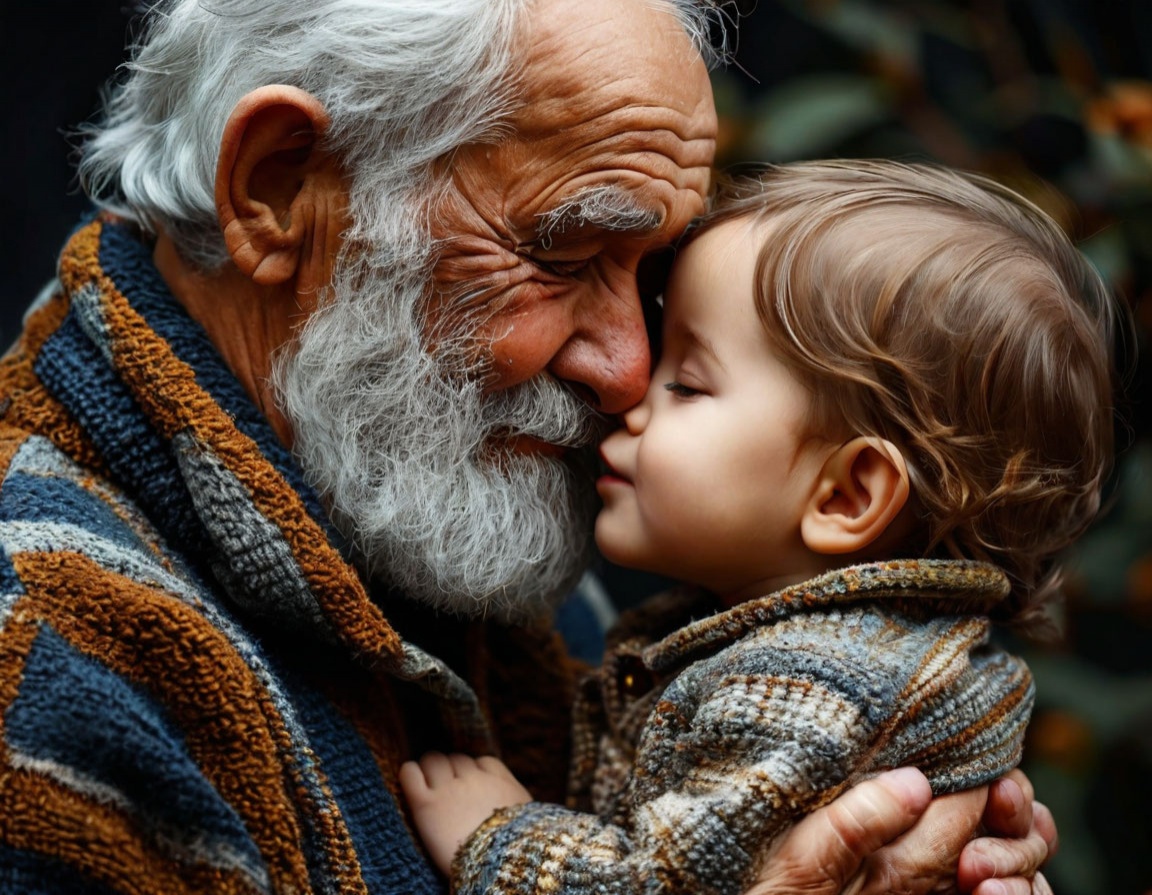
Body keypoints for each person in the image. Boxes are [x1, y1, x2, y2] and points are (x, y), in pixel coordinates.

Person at [0, 0, 1053, 890]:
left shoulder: (470, 527)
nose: (628, 372)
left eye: (645, 274)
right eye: (565, 253)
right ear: (278, 188)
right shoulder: (42, 670)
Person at [399, 160, 1118, 895]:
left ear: (847, 494)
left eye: (687, 383)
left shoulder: (804, 690)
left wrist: (499, 833)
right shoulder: (825, 643)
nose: (632, 394)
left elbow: (662, 883)